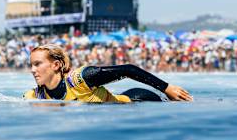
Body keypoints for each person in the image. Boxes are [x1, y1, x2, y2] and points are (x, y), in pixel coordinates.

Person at [23, 44, 193, 103]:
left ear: (56, 65)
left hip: (138, 101)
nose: (32, 70)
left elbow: (128, 69)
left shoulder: (81, 79)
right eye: (31, 65)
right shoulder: (35, 95)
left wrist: (167, 88)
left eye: (37, 64)